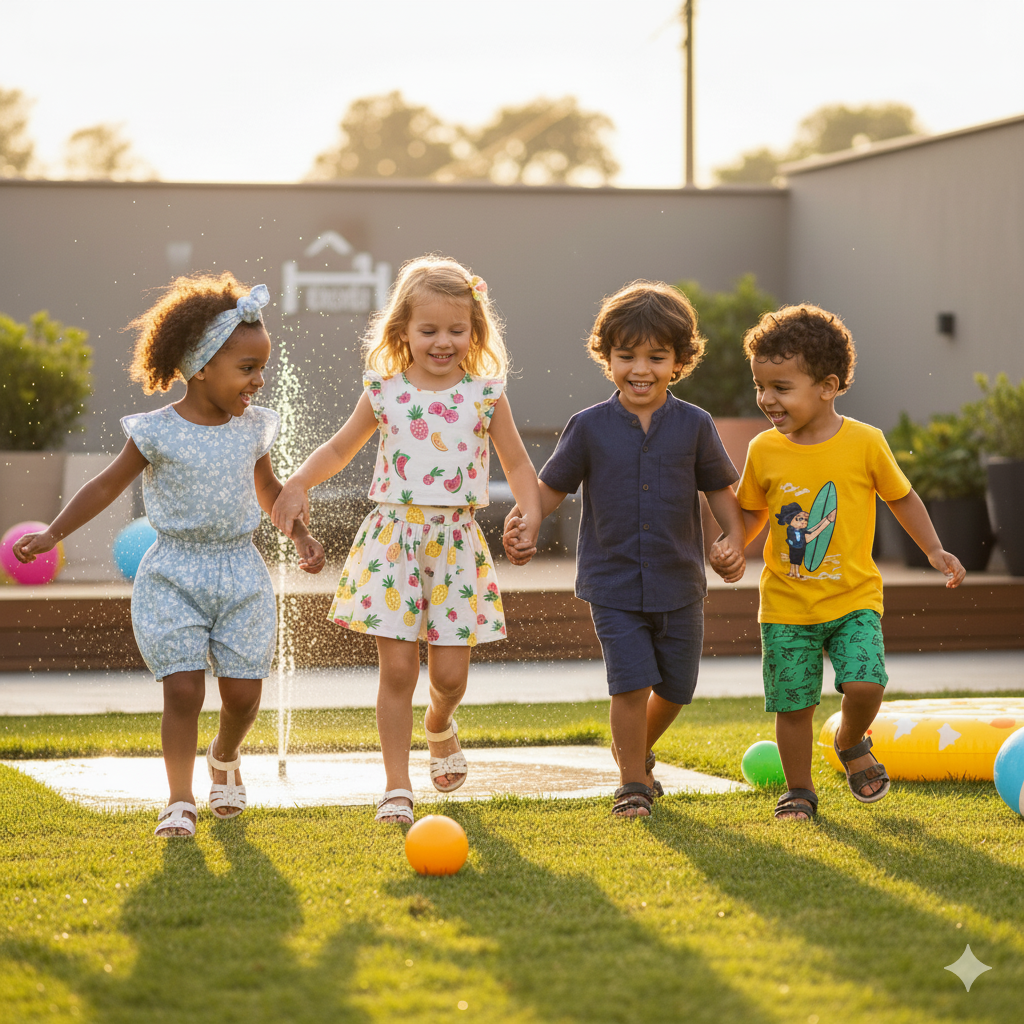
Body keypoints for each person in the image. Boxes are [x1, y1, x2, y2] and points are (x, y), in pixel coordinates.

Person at [14, 274, 325, 838]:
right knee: (182, 690)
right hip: (173, 574)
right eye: (248, 368)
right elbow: (105, 487)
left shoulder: (253, 428)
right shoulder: (156, 432)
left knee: (244, 696)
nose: (259, 381)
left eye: (262, 368)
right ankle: (179, 799)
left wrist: (299, 534)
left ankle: (225, 756)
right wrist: (54, 534)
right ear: (202, 365)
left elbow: (270, 490)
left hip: (239, 572)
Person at [272, 256, 541, 825]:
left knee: (449, 678)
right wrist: (297, 482)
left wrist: (530, 508)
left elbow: (516, 462)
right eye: (429, 330)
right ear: (403, 332)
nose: (443, 342)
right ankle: (396, 786)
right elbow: (340, 449)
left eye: (456, 330)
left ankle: (439, 724)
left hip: (456, 544)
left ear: (474, 332)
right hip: (392, 541)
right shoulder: (384, 390)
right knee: (396, 672)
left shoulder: (486, 394)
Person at [709, 304, 966, 822]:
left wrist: (935, 550)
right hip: (786, 603)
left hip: (854, 598)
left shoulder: (865, 442)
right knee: (794, 706)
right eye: (761, 386)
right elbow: (755, 516)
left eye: (781, 387)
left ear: (827, 386)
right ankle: (799, 791)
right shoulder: (764, 449)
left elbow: (902, 497)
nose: (766, 399)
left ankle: (850, 741)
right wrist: (733, 543)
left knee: (867, 683)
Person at [503, 280, 747, 818]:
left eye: (657, 357)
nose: (641, 369)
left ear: (680, 361)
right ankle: (633, 783)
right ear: (606, 357)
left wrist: (734, 538)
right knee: (631, 682)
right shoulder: (588, 427)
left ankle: (632, 748)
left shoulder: (696, 425)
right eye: (626, 356)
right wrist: (527, 522)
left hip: (680, 580)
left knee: (678, 688)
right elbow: (550, 489)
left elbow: (721, 492)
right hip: (612, 583)